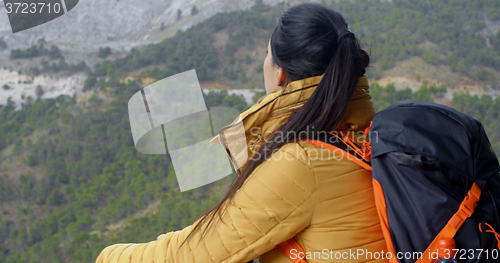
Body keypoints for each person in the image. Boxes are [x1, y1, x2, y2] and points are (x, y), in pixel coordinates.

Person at [96, 3, 387, 263]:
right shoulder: (364, 132)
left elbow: (193, 254)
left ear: (280, 74)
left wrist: (107, 256)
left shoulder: (301, 161)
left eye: (266, 55)